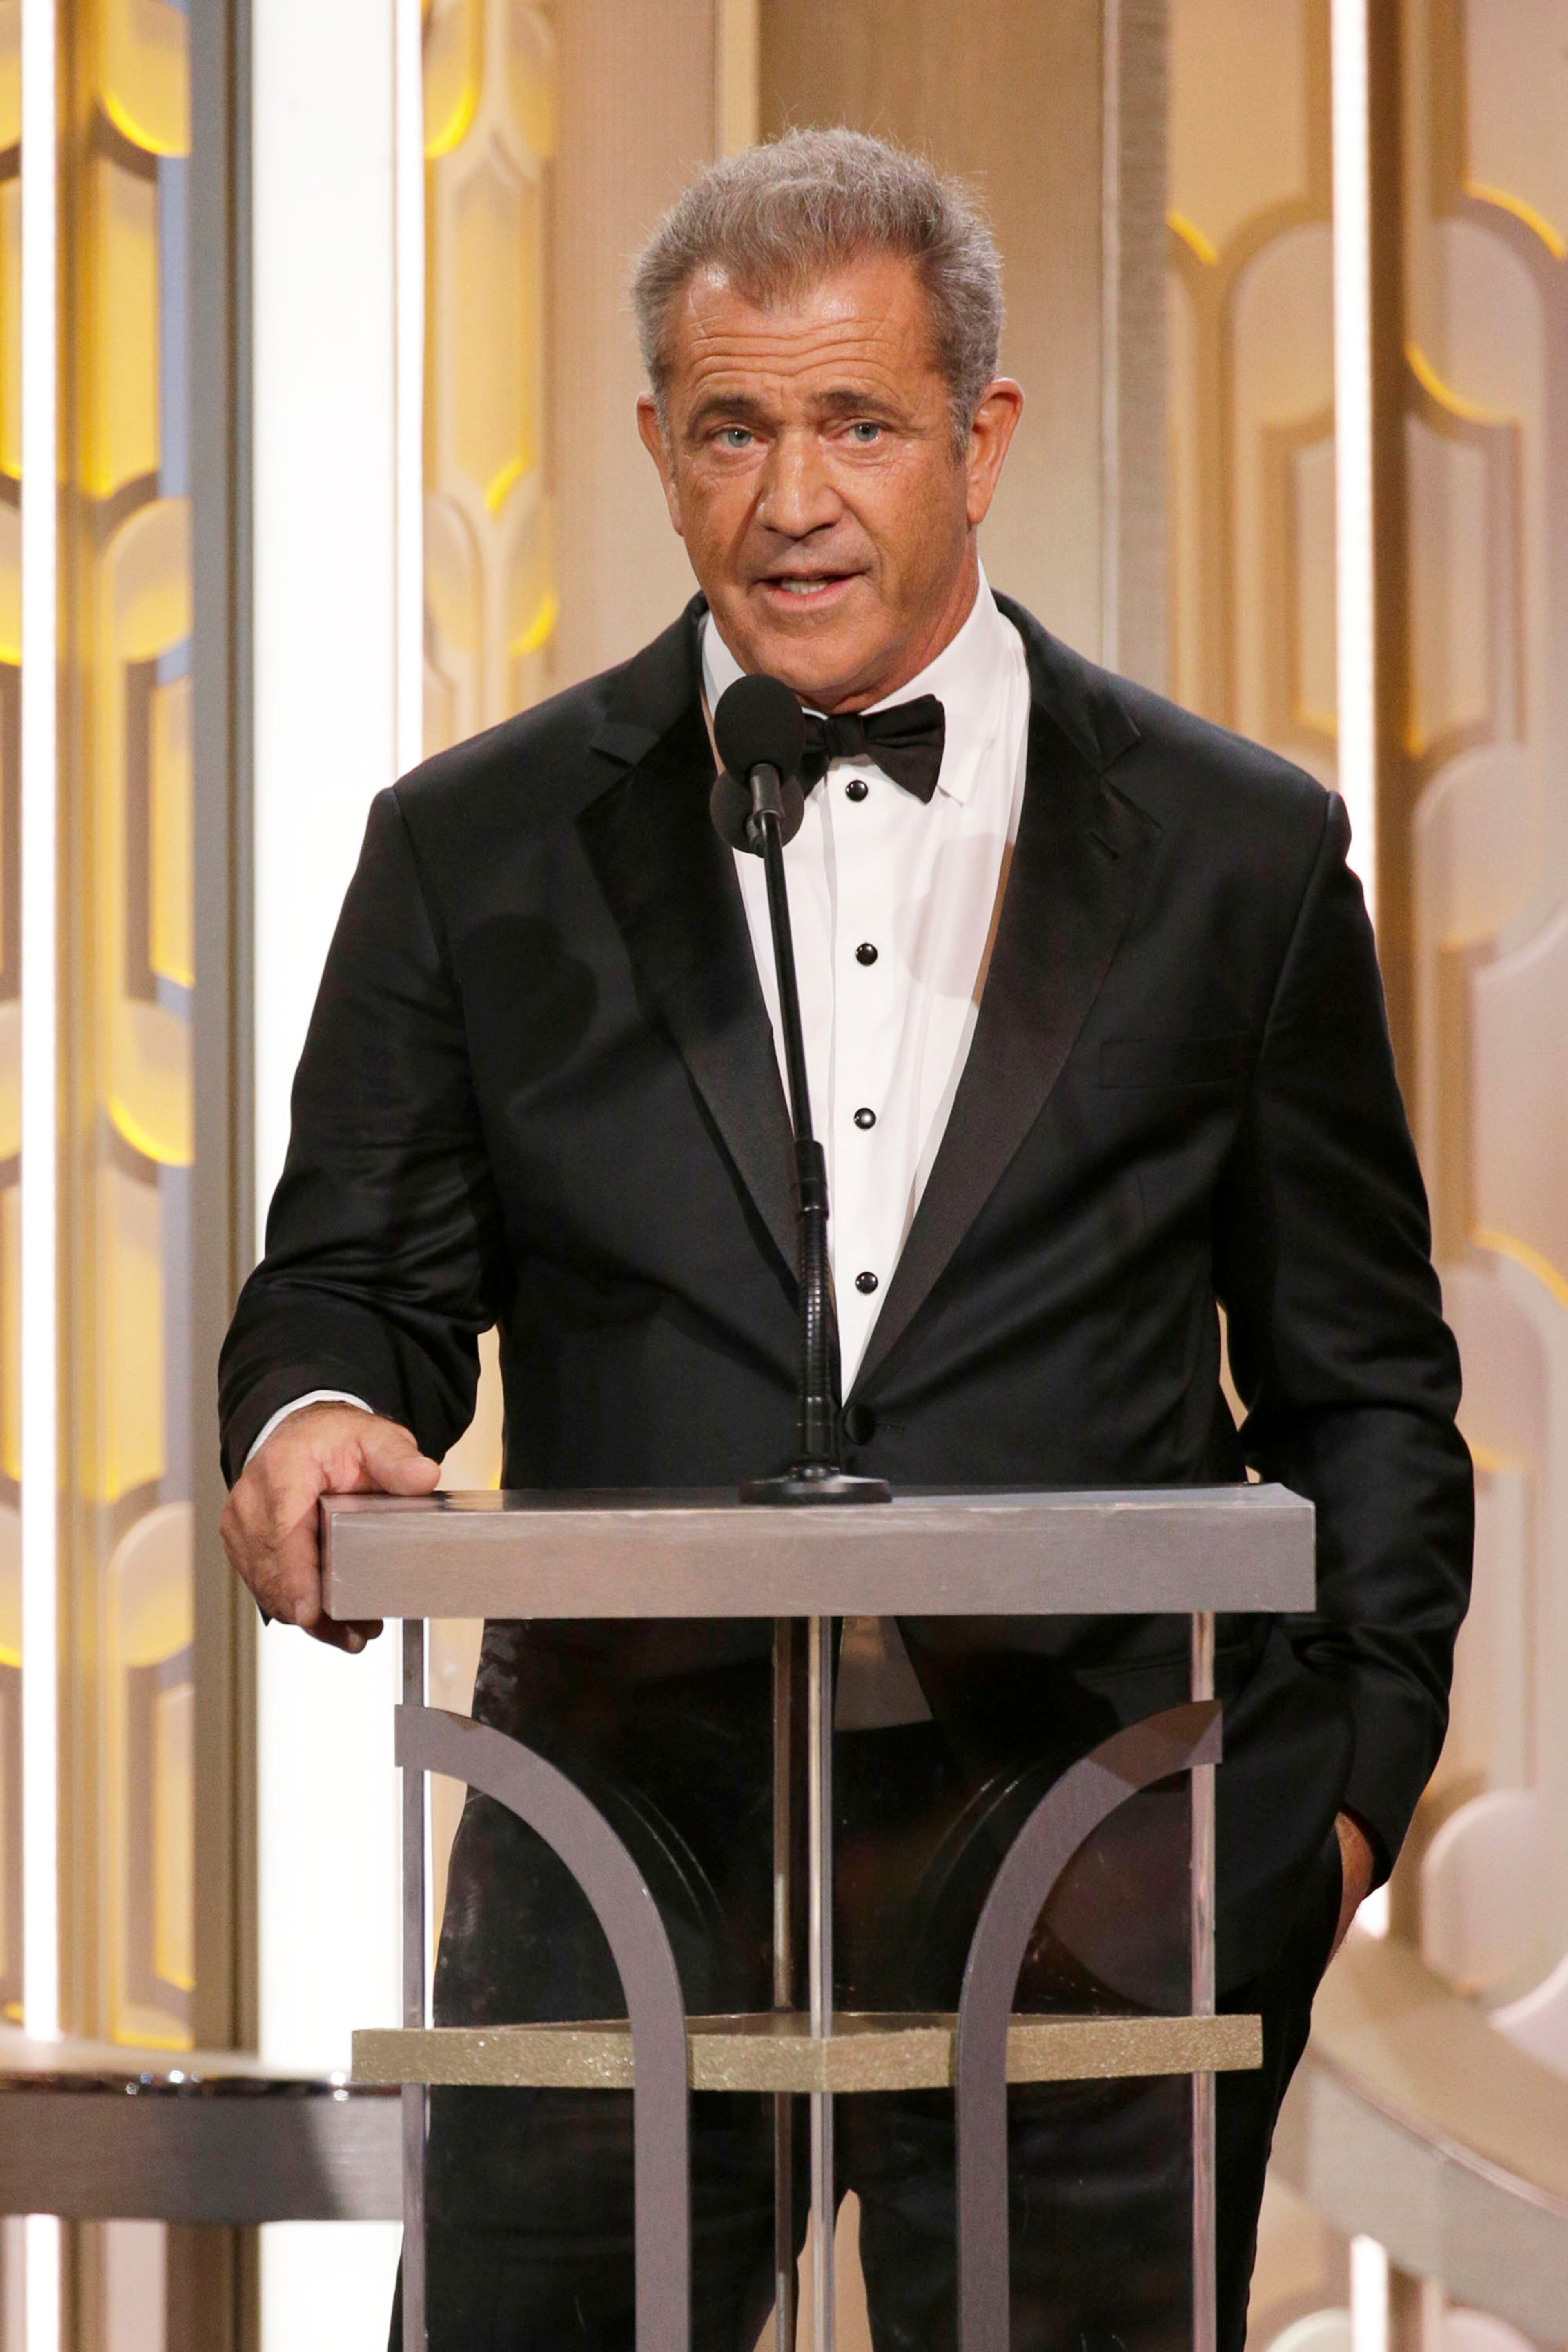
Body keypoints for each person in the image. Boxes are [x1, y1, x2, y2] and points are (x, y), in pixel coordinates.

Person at [220, 129, 1472, 2352]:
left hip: (1093, 1857)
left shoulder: (1236, 855)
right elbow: (350, 1283)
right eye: (733, 428)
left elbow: (1365, 1386)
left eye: (858, 423)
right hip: (615, 1857)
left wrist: (1334, 1818)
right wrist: (316, 1411)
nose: (792, 497)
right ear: (656, 449)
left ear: (983, 438)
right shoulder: (473, 849)